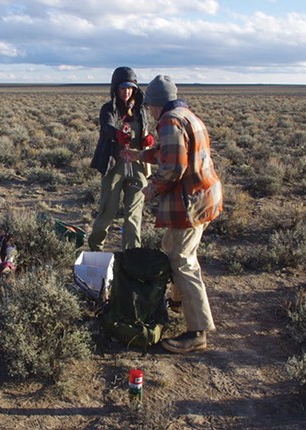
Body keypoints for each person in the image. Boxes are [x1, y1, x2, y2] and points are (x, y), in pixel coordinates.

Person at [122, 75, 223, 354]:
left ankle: (198, 331)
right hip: (203, 197)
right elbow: (169, 153)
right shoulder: (187, 115)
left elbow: (173, 168)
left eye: (151, 105)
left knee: (182, 260)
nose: (150, 111)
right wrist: (139, 155)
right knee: (172, 249)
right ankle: (179, 303)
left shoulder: (170, 121)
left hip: (189, 202)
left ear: (158, 103)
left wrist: (150, 189)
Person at [89, 67, 154, 251]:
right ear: (115, 89)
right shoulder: (108, 109)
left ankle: (132, 255)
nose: (127, 92)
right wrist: (117, 134)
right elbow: (107, 125)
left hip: (136, 166)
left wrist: (146, 140)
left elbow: (144, 132)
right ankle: (96, 248)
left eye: (130, 88)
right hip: (114, 166)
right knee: (107, 211)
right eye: (123, 88)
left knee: (133, 214)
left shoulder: (140, 111)